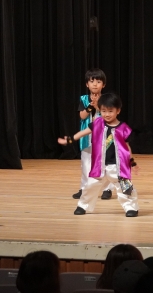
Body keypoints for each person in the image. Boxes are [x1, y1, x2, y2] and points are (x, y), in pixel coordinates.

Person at [58, 93, 140, 217]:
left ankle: (131, 208)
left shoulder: (123, 128)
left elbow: (127, 147)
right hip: (99, 165)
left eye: (110, 111)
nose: (107, 114)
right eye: (103, 111)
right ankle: (83, 205)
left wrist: (132, 162)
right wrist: (70, 139)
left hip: (118, 166)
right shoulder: (97, 124)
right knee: (90, 185)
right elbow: (84, 132)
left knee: (125, 187)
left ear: (118, 111)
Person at [73, 68, 114, 200]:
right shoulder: (84, 99)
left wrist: (98, 106)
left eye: (98, 81)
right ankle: (84, 188)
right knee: (86, 163)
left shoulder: (107, 100)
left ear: (104, 84)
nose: (95, 84)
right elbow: (82, 116)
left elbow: (109, 115)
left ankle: (107, 189)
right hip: (87, 136)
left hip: (103, 136)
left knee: (105, 163)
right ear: (87, 84)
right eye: (92, 81)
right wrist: (91, 106)